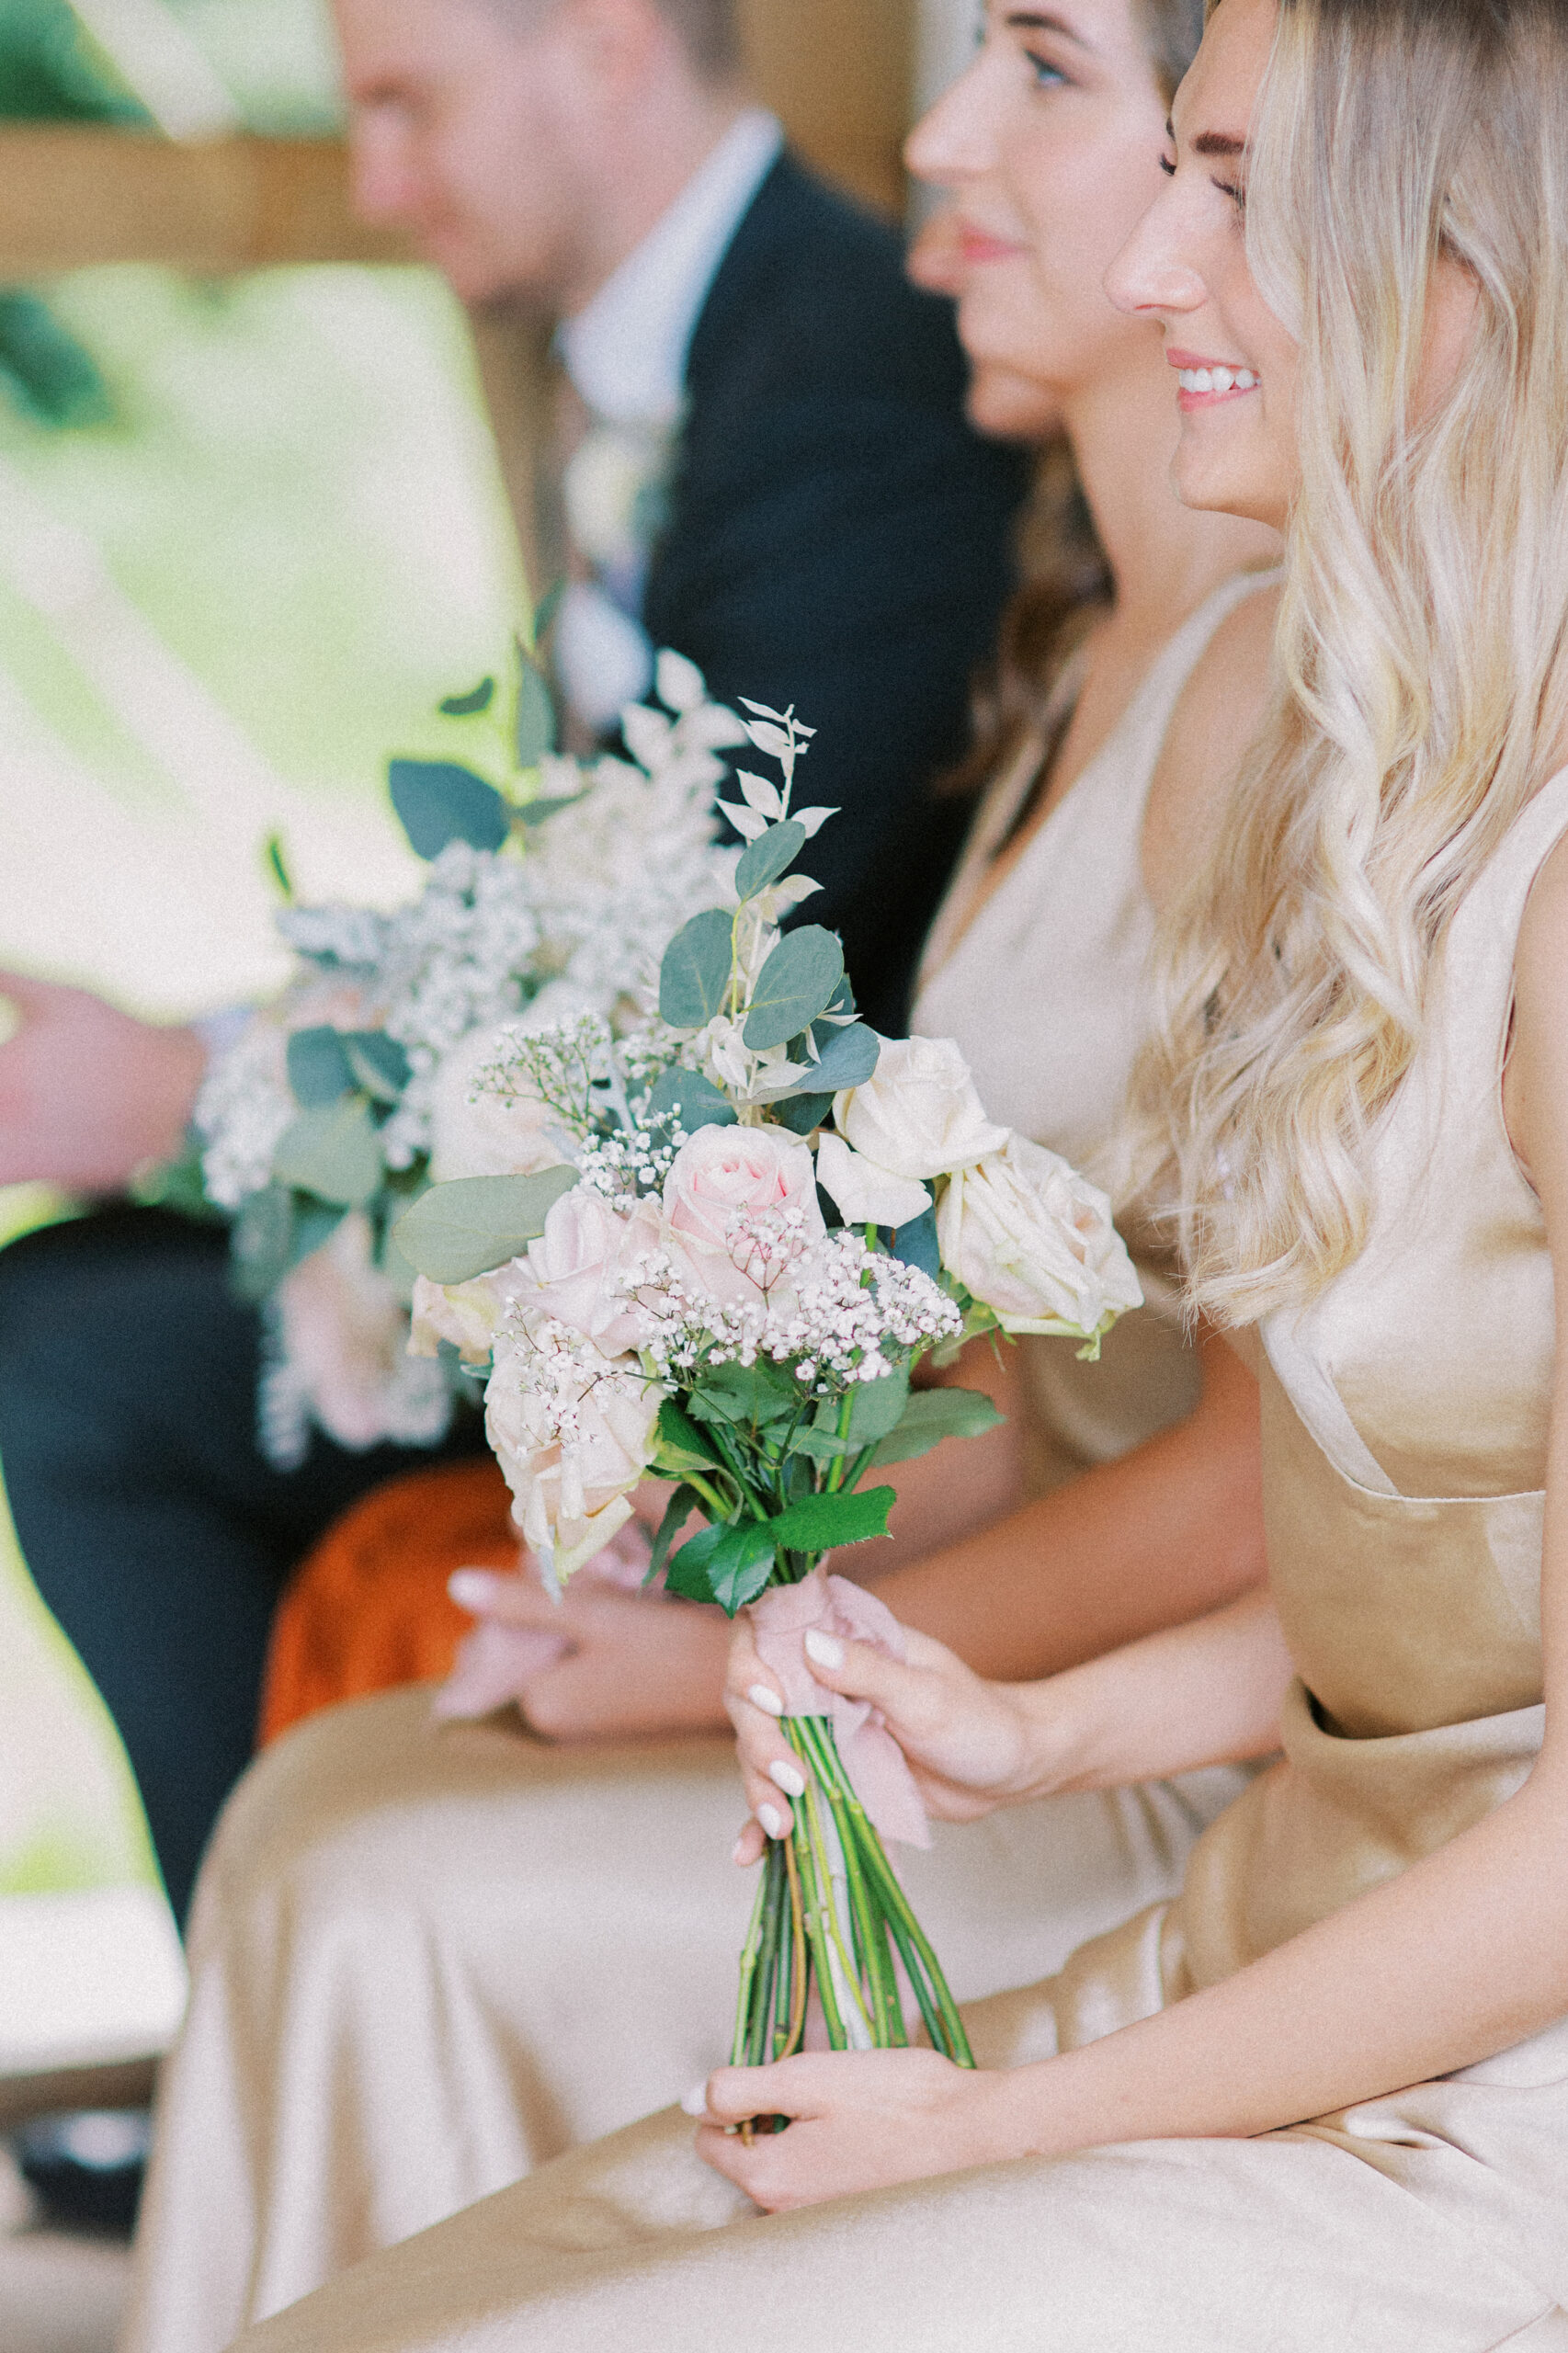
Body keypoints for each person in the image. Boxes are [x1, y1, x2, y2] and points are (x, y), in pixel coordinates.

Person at [223, 0, 1568, 2343]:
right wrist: (1022, 1722)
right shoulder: (1394, 811)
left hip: (1487, 2103)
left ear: (1459, 261)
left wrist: (1001, 2126)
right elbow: (1432, 1572)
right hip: (1275, 1909)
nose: (1159, 264)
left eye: (1227, 189)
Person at [0, 0, 1028, 1928]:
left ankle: (279, 2030)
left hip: (789, 1282)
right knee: (71, 1323)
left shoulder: (839, 384)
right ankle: (264, 2016)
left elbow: (703, 980)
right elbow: (566, 906)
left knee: (74, 1362)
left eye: (407, 104)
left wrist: (187, 1096)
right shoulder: (651, 370)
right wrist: (220, 1061)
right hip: (612, 1207)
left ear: (606, 45)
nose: (376, 182)